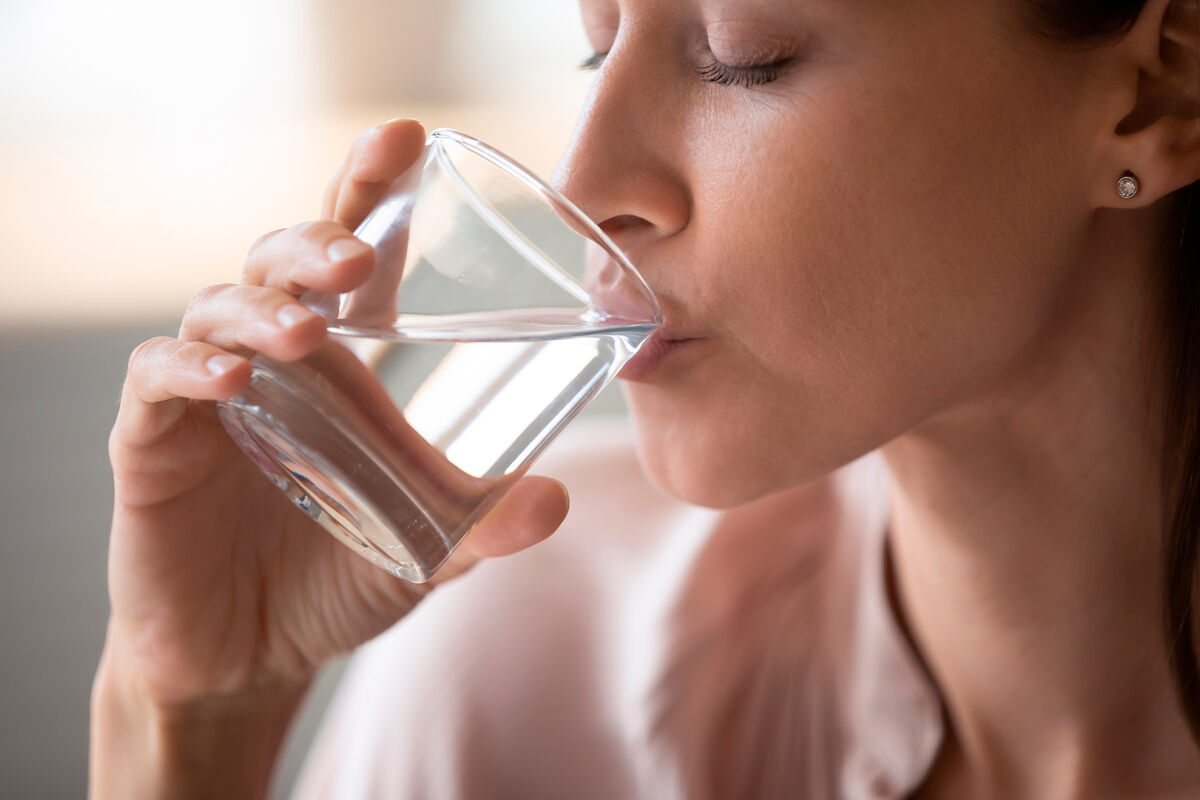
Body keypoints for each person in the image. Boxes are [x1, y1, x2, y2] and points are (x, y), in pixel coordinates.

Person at [90, 0, 1200, 796]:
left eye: (740, 57)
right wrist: (191, 725)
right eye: (595, 50)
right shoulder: (534, 652)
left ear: (1160, 86)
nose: (581, 189)